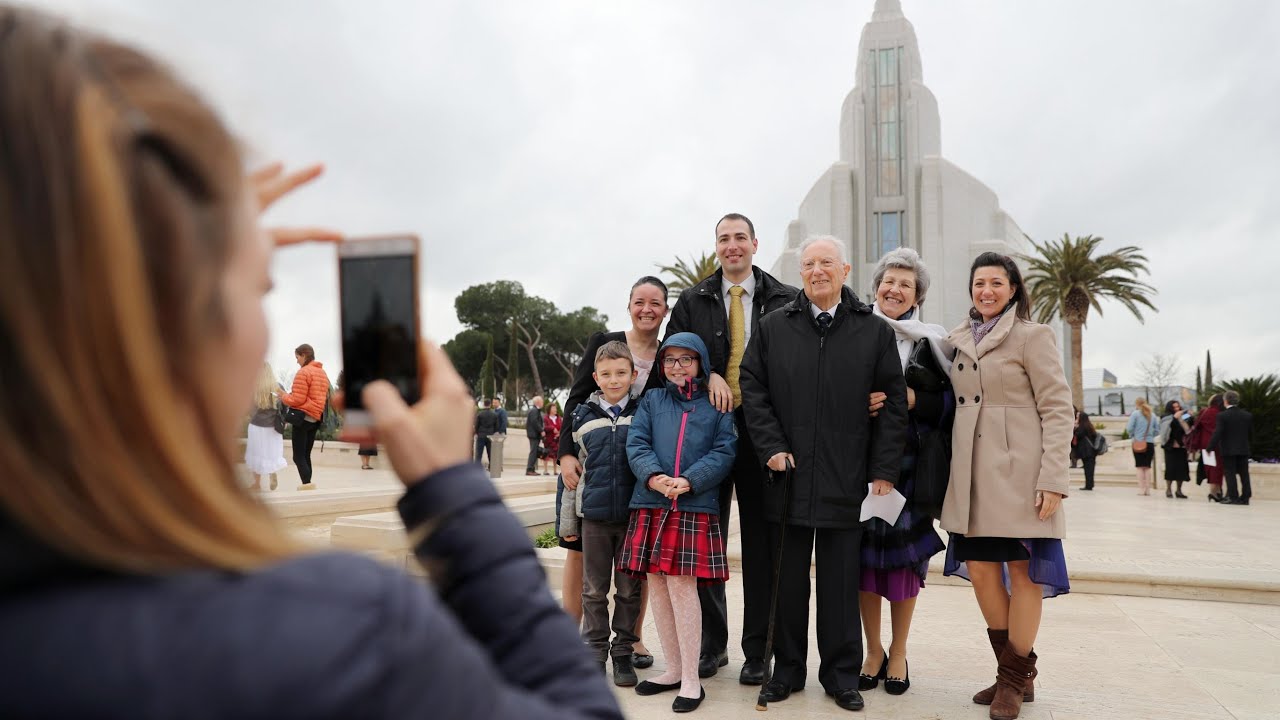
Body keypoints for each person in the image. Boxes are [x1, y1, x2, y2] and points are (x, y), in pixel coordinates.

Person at [0, 8, 623, 718]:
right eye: (260, 287)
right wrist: (456, 497)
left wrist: (184, 258)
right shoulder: (337, 640)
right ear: (181, 326)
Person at [740, 236, 908, 713]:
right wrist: (771, 447)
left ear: (845, 270)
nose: (817, 271)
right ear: (801, 272)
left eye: (827, 263)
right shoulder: (773, 327)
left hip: (845, 476)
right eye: (809, 263)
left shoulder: (872, 331)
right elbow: (752, 386)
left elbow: (893, 403)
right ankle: (787, 672)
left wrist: (883, 471)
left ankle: (840, 675)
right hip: (787, 476)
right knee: (787, 584)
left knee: (839, 585)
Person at [654, 213, 798, 684]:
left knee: (760, 547)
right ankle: (710, 647)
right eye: (723, 238)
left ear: (755, 243)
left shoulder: (785, 298)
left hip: (762, 436)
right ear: (716, 246)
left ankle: (757, 651)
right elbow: (671, 361)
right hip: (705, 439)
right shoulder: (692, 300)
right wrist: (709, 373)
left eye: (740, 237)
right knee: (702, 545)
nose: (732, 245)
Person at [940, 252, 1073, 720]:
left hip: (1021, 475)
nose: (987, 291)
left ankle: (1012, 682)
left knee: (1023, 572)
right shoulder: (955, 340)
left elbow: (1058, 408)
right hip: (972, 476)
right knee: (980, 570)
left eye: (997, 283)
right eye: (980, 283)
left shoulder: (1034, 336)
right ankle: (1013, 672)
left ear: (1013, 289)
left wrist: (1053, 479)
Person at [621, 332, 737, 713]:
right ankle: (672, 669)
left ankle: (691, 679)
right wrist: (654, 477)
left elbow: (724, 451)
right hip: (651, 501)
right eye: (670, 359)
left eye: (686, 359)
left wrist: (689, 481)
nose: (677, 366)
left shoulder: (716, 405)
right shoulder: (652, 400)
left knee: (683, 588)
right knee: (657, 584)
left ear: (700, 363)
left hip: (693, 506)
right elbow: (637, 443)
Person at [560, 275, 670, 665]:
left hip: (634, 472)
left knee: (635, 564)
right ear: (629, 305)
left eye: (655, 303)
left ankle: (632, 640)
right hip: (589, 464)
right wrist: (565, 454)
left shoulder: (666, 354)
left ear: (666, 310)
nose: (646, 309)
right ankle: (570, 639)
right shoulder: (604, 342)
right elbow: (575, 400)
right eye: (639, 301)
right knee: (579, 554)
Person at [857, 248, 950, 696]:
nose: (894, 290)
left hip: (912, 467)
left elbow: (954, 402)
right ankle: (872, 650)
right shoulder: (855, 331)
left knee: (904, 563)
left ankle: (898, 651)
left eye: (905, 285)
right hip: (859, 462)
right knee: (863, 563)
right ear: (876, 287)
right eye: (888, 282)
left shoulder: (933, 343)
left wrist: (916, 400)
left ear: (918, 296)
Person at [557, 342, 643, 687]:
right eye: (606, 374)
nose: (614, 380)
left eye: (621, 373)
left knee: (629, 590)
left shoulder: (643, 412)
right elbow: (573, 477)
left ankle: (623, 652)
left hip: (632, 518)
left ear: (633, 375)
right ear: (595, 378)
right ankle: (594, 652)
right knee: (593, 589)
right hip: (593, 518)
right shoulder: (582, 417)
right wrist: (568, 523)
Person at [278, 343, 330, 490]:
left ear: (304, 355)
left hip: (303, 418)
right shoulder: (322, 373)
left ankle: (307, 484)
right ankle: (308, 483)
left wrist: (283, 396)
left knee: (298, 456)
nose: (297, 361)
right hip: (316, 418)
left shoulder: (303, 372)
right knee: (306, 455)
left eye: (297, 357)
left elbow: (297, 399)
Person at [245, 363, 287, 491]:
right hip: (273, 426)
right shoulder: (278, 387)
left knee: (256, 453)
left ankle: (257, 484)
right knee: (272, 453)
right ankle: (272, 472)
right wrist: (283, 419)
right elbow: (286, 403)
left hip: (256, 425)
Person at [1210, 390, 1253, 506]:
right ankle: (1245, 497)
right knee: (1244, 474)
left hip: (1228, 450)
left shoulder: (1222, 416)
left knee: (1230, 474)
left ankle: (1233, 497)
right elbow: (1250, 434)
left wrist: (1210, 447)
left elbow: (1218, 432)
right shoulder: (1247, 415)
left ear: (1225, 401)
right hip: (1243, 449)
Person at [1187, 394, 1225, 500]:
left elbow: (1196, 425)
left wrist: (1187, 416)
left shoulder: (1205, 411)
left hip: (1205, 444)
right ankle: (1216, 491)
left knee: (1211, 467)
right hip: (1219, 443)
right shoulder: (1221, 413)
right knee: (1218, 468)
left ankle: (1215, 491)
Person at [1159, 400, 1193, 498]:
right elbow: (1166, 429)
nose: (1176, 409)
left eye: (1178, 407)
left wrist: (1190, 415)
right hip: (1170, 447)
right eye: (1174, 407)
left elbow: (1189, 426)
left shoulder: (1183, 416)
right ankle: (1168, 489)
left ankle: (1179, 490)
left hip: (1181, 446)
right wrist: (1174, 418)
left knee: (1181, 470)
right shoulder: (1165, 417)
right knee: (1170, 469)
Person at [1127, 397, 1160, 496]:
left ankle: (1141, 489)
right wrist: (1150, 436)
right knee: (1147, 467)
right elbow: (1157, 430)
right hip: (1149, 443)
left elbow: (1129, 428)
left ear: (1136, 404)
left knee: (1140, 467)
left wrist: (1133, 436)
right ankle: (1148, 489)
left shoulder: (1135, 414)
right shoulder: (1152, 415)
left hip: (1138, 443)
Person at [1074, 412, 1100, 491]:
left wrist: (1075, 427)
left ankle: (1089, 485)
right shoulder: (1089, 426)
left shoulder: (1082, 427)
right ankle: (1089, 484)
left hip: (1086, 451)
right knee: (1089, 469)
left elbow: (1078, 435)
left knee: (1088, 469)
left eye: (1078, 417)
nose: (1076, 418)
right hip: (1091, 451)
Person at [474, 397, 499, 467]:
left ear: (484, 404)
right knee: (490, 452)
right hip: (490, 435)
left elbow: (477, 425)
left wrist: (477, 432)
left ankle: (477, 467)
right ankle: (492, 466)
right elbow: (496, 426)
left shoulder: (480, 414)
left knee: (479, 453)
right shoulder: (494, 415)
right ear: (490, 404)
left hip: (481, 435)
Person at [526, 395, 545, 476]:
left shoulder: (535, 410)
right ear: (538, 402)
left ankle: (532, 469)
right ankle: (529, 469)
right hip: (534, 435)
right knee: (533, 452)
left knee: (534, 452)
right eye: (541, 401)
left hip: (534, 434)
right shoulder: (534, 411)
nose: (543, 403)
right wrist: (541, 430)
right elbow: (535, 422)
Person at [542, 402, 563, 476]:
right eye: (553, 408)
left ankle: (555, 470)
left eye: (555, 408)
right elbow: (545, 427)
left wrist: (559, 433)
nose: (555, 409)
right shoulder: (546, 418)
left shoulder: (559, 418)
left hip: (557, 439)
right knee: (546, 454)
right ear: (549, 409)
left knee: (556, 456)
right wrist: (552, 428)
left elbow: (562, 427)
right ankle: (545, 470)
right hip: (549, 439)